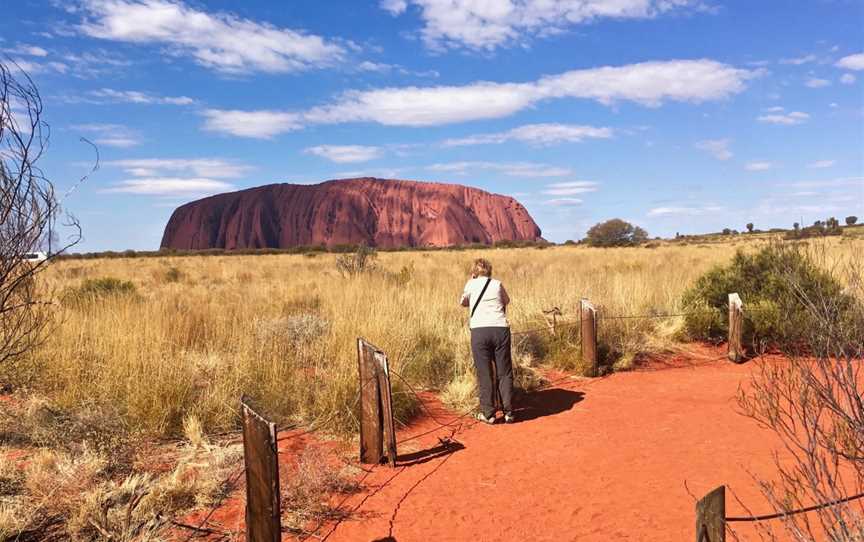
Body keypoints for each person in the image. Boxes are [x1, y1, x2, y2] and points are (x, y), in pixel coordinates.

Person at [459, 258, 514, 424]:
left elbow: (463, 303)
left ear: (474, 271)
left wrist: (472, 284)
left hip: (479, 331)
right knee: (504, 372)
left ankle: (488, 414)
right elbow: (507, 301)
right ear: (489, 271)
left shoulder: (470, 284)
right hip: (500, 329)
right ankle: (509, 412)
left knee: (484, 373)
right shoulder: (497, 284)